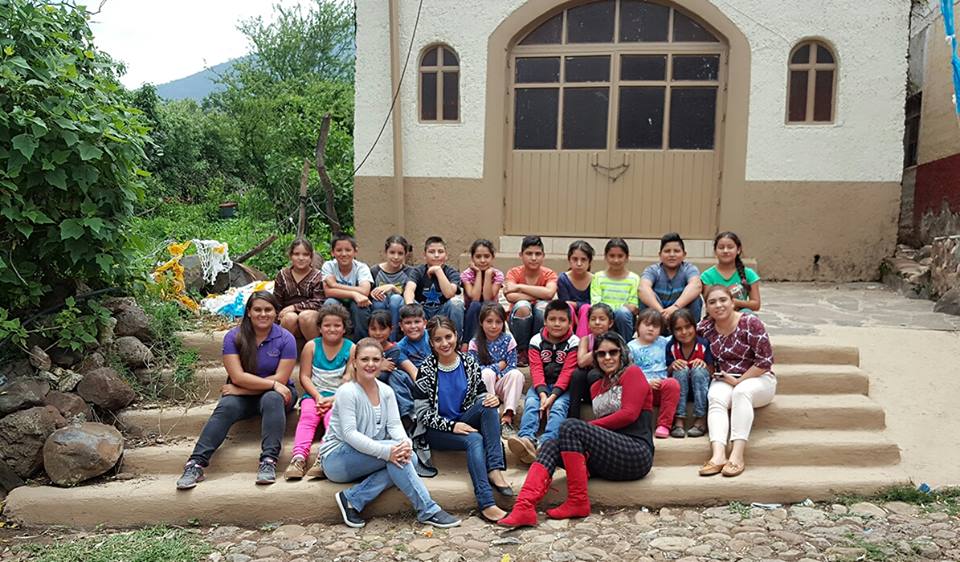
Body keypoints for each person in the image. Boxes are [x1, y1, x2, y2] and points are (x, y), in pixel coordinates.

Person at [499, 332, 654, 528]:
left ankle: (578, 501)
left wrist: (585, 428)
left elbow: (629, 414)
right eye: (601, 354)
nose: (607, 358)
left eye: (613, 352)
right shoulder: (597, 384)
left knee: (570, 427)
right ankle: (524, 507)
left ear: (622, 352)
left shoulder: (632, 373)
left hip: (635, 453)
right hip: (608, 455)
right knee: (551, 446)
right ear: (595, 357)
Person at [318, 338, 461, 529]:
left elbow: (394, 426)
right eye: (364, 359)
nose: (370, 364)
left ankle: (353, 499)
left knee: (411, 458)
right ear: (354, 362)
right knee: (401, 457)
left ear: (382, 362)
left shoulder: (386, 391)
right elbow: (350, 434)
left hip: (367, 456)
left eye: (376, 360)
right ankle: (428, 509)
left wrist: (406, 445)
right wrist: (389, 452)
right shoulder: (347, 392)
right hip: (336, 459)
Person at [176, 291, 296, 489]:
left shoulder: (286, 338)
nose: (263, 314)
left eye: (268, 310)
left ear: (276, 313)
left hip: (275, 395)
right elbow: (238, 376)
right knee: (227, 406)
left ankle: (268, 461)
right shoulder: (234, 336)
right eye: (257, 309)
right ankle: (195, 463)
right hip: (247, 394)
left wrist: (243, 390)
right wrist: (269, 384)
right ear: (248, 312)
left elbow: (281, 380)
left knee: (272, 399)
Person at [416, 316, 513, 523]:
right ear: (431, 343)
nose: (445, 343)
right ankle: (487, 503)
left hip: (464, 418)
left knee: (488, 406)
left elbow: (478, 393)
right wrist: (452, 426)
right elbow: (422, 414)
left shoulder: (469, 362)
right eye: (438, 339)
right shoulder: (426, 370)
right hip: (437, 430)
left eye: (448, 337)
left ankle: (494, 468)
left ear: (456, 336)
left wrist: (490, 397)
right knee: (475, 439)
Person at [697, 285, 776, 478]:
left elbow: (765, 361)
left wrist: (738, 381)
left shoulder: (750, 323)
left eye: (723, 300)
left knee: (742, 393)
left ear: (733, 302)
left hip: (758, 378)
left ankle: (737, 455)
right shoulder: (704, 329)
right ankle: (718, 456)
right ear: (707, 307)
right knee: (715, 396)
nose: (718, 305)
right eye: (712, 302)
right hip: (725, 377)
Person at [285, 302, 355, 480]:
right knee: (308, 416)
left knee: (332, 419)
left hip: (338, 397)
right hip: (313, 396)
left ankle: (323, 457)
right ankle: (298, 458)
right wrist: (317, 397)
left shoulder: (351, 348)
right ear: (320, 328)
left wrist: (332, 399)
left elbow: (349, 379)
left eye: (337, 325)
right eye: (327, 325)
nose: (332, 329)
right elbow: (305, 377)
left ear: (344, 328)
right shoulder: (311, 346)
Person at [507, 300, 579, 464]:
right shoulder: (536, 340)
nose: (557, 323)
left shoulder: (574, 341)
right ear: (545, 321)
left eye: (562, 320)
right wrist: (542, 393)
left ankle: (547, 442)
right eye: (552, 319)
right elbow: (536, 370)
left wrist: (552, 397)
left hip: (563, 388)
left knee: (558, 408)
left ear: (569, 323)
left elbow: (568, 372)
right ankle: (526, 439)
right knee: (532, 403)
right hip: (541, 385)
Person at [468, 303, 525, 436]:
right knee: (486, 373)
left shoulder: (508, 340)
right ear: (481, 322)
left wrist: (499, 374)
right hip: (484, 386)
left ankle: (507, 418)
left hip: (501, 384)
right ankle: (492, 415)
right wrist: (496, 367)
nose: (494, 326)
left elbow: (511, 365)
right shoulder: (475, 343)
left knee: (516, 374)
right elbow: (474, 370)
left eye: (498, 322)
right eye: (489, 321)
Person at [504, 235, 558, 367]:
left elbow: (550, 293)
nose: (533, 258)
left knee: (542, 307)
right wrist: (540, 294)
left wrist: (519, 287)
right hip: (518, 321)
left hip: (539, 319)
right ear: (521, 255)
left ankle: (537, 348)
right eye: (529, 253)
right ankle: (522, 350)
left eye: (538, 254)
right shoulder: (514, 273)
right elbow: (510, 296)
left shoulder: (549, 274)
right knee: (523, 306)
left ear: (543, 255)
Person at [628, 309, 681, 439]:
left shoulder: (664, 342)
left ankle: (664, 425)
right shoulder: (630, 347)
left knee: (672, 384)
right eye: (647, 324)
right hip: (641, 389)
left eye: (655, 326)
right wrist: (646, 383)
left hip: (661, 387)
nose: (651, 329)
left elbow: (678, 331)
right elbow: (627, 373)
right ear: (638, 326)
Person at [403, 236, 464, 339]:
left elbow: (449, 293)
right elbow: (409, 289)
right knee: (402, 301)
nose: (436, 255)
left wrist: (438, 271)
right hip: (422, 312)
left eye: (440, 252)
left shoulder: (452, 272)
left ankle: (456, 341)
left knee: (456, 303)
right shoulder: (418, 271)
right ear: (424, 255)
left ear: (446, 255)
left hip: (443, 311)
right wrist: (411, 307)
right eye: (431, 252)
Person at [665, 309, 714, 438]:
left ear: (694, 326)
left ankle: (700, 418)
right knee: (680, 370)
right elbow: (667, 372)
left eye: (688, 327)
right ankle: (679, 420)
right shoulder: (671, 346)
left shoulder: (703, 344)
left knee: (698, 370)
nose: (684, 332)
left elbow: (712, 372)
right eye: (678, 329)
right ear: (672, 331)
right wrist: (672, 366)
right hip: (681, 391)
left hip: (700, 390)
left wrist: (704, 365)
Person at [639, 232, 703, 326]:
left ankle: (692, 334)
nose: (672, 254)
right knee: (644, 295)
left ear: (684, 254)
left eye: (676, 251)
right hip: (657, 320)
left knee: (695, 298)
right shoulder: (653, 270)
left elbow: (696, 285)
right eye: (667, 251)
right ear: (660, 255)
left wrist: (675, 307)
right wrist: (662, 312)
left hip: (681, 321)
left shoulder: (689, 269)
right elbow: (642, 288)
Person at [367, 310, 419, 427]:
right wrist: (379, 365)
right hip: (373, 386)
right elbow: (362, 371)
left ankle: (407, 413)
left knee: (396, 375)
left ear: (391, 329)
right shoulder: (364, 346)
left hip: (392, 384)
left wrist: (371, 367)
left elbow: (384, 374)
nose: (378, 333)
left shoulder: (394, 350)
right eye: (373, 329)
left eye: (382, 329)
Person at [566, 303, 614, 420]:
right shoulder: (586, 339)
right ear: (588, 322)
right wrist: (600, 349)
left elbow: (612, 365)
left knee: (595, 373)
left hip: (608, 388)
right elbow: (582, 361)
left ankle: (602, 416)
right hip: (587, 389)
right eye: (593, 319)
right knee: (577, 374)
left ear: (610, 323)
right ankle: (573, 418)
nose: (597, 322)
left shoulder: (615, 339)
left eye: (602, 319)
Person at [321, 234, 373, 341]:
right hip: (337, 301)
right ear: (332, 252)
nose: (344, 254)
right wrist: (354, 294)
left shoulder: (361, 267)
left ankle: (362, 342)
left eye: (348, 250)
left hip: (357, 302)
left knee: (360, 305)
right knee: (330, 302)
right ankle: (331, 341)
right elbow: (328, 292)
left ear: (355, 251)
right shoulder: (329, 266)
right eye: (339, 250)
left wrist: (335, 285)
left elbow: (365, 291)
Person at [274, 238, 325, 342]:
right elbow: (276, 301)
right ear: (290, 256)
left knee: (305, 316)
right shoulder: (283, 275)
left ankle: (315, 352)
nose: (301, 258)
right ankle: (281, 352)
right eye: (296, 254)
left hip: (311, 319)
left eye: (305, 255)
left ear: (311, 257)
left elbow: (319, 302)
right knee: (290, 318)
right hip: (287, 318)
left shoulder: (318, 276)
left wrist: (294, 307)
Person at [591, 238, 641, 341]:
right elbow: (596, 304)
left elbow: (633, 307)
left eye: (620, 256)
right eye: (612, 256)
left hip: (624, 320)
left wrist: (617, 308)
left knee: (622, 313)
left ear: (627, 257)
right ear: (605, 257)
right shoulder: (598, 277)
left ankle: (626, 347)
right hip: (603, 318)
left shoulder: (634, 279)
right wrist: (620, 306)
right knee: (601, 314)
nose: (616, 260)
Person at [700, 231, 761, 312]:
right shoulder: (707, 276)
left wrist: (736, 302)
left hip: (740, 317)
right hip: (718, 315)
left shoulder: (749, 274)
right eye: (721, 247)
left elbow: (756, 305)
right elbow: (709, 304)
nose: (725, 251)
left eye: (730, 247)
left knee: (747, 312)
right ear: (715, 251)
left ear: (738, 250)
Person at [461, 239, 504, 347]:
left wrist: (488, 275)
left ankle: (492, 342)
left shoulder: (497, 274)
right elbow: (474, 298)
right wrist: (479, 273)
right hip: (471, 312)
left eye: (486, 256)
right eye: (478, 256)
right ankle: (467, 342)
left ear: (492, 257)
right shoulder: (467, 274)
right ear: (472, 258)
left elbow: (488, 299)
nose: (482, 260)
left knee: (486, 305)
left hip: (491, 310)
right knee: (476, 305)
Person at [391, 304, 431, 420]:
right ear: (401, 326)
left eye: (417, 322)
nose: (413, 326)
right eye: (408, 323)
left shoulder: (434, 336)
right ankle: (410, 414)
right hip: (418, 381)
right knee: (396, 376)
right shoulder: (399, 347)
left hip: (440, 374)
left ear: (424, 323)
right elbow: (413, 372)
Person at [370, 235, 414, 341]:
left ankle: (392, 340)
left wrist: (393, 288)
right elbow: (368, 293)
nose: (396, 257)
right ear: (385, 252)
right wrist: (372, 293)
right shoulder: (374, 271)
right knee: (378, 301)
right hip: (380, 309)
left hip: (399, 310)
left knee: (395, 299)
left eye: (400, 253)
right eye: (392, 252)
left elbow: (409, 296)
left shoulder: (410, 272)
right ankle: (378, 337)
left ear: (405, 255)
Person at [557, 240, 594, 338]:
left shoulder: (595, 279)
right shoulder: (563, 279)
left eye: (583, 259)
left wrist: (577, 304)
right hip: (569, 316)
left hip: (589, 317)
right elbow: (564, 303)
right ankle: (567, 342)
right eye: (575, 259)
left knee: (586, 308)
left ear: (589, 261)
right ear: (569, 260)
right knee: (568, 306)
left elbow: (593, 303)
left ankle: (582, 342)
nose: (579, 263)